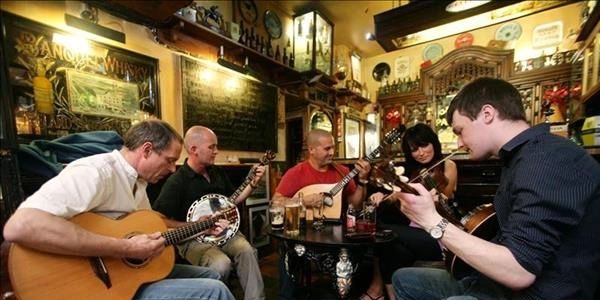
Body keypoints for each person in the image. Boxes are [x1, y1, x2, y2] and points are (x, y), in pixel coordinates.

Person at [392, 77, 600, 300]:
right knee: (403, 279)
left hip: (539, 291)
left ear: (487, 114)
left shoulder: (547, 159)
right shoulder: (519, 157)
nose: (460, 143)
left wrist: (432, 221)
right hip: (497, 284)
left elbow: (520, 271)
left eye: (460, 130)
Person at [3, 120, 235, 300]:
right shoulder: (97, 172)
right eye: (169, 160)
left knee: (211, 275)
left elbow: (153, 230)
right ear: (146, 150)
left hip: (125, 274)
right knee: (214, 291)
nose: (173, 169)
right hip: (96, 284)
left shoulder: (139, 183)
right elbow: (20, 226)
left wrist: (200, 226)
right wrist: (126, 247)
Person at [152, 125, 265, 300]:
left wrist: (254, 182)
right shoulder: (177, 181)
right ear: (193, 149)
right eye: (212, 147)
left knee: (247, 251)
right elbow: (159, 219)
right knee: (221, 264)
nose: (216, 151)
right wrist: (195, 226)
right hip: (193, 239)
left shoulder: (217, 172)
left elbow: (232, 201)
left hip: (224, 231)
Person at [362, 123, 458, 300]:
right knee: (392, 249)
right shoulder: (406, 171)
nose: (421, 152)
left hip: (438, 234)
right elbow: (392, 193)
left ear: (433, 143)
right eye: (414, 149)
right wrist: (379, 195)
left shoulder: (448, 165)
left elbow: (445, 199)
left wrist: (431, 195)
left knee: (383, 232)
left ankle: (376, 289)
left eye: (424, 145)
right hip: (413, 233)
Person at [272, 129, 371, 299]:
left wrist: (362, 181)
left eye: (333, 147)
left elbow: (356, 204)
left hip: (335, 233)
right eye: (327, 149)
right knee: (288, 254)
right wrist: (304, 201)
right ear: (311, 149)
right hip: (305, 233)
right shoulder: (296, 173)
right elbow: (276, 202)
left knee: (360, 252)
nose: (332, 152)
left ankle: (343, 292)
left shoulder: (342, 172)